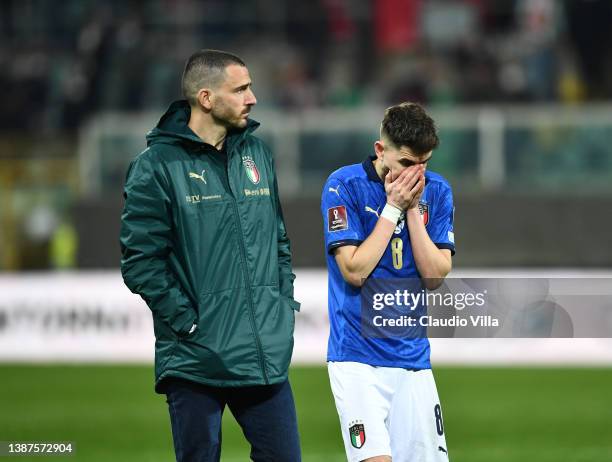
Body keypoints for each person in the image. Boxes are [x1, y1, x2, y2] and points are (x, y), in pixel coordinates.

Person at [120, 49, 301, 462]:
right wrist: (187, 322)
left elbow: (279, 241)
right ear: (205, 98)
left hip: (262, 354)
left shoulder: (257, 154)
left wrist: (280, 305)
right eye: (240, 89)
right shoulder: (154, 167)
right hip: (195, 358)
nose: (252, 98)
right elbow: (140, 261)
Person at [321, 102, 455, 461]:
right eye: (408, 164)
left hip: (413, 361)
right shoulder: (344, 185)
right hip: (357, 358)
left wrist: (411, 209)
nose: (417, 175)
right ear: (381, 150)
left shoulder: (437, 191)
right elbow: (354, 270)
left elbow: (434, 277)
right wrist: (392, 207)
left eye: (424, 164)